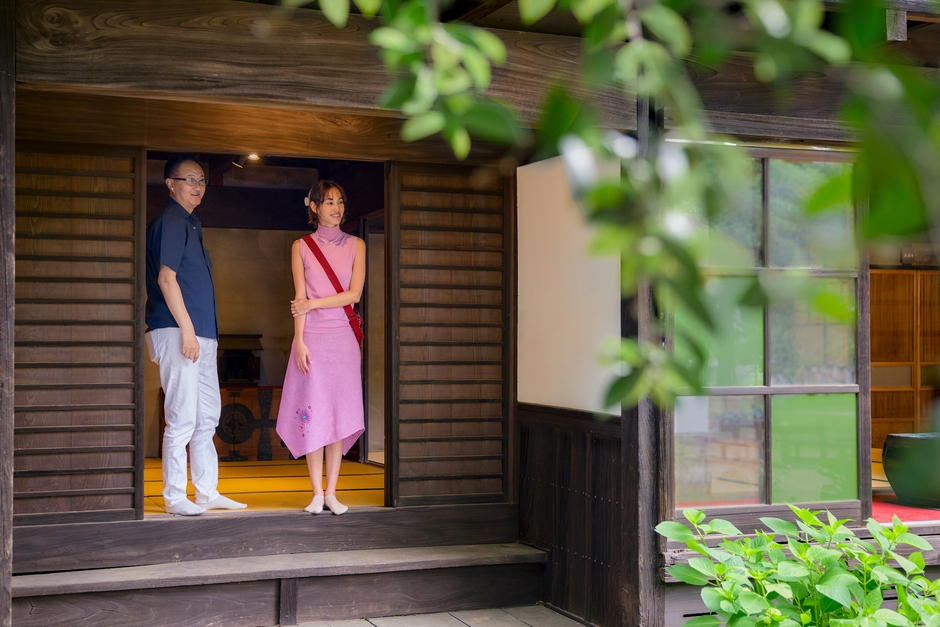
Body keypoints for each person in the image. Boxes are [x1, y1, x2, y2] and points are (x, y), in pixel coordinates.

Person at [145, 154, 247, 516]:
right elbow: (166, 279)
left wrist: (202, 335)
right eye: (189, 179)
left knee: (207, 417)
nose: (197, 186)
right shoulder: (170, 221)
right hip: (178, 331)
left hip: (200, 334)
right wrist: (188, 331)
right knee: (183, 417)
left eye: (202, 180)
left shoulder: (192, 224)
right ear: (171, 184)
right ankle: (174, 496)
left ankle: (207, 491)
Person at [276, 180, 366, 515]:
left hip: (343, 338)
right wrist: (299, 340)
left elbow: (353, 295)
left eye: (340, 202)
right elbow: (300, 299)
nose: (336, 208)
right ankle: (315, 492)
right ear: (313, 207)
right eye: (328, 202)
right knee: (312, 412)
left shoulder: (357, 244)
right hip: (311, 337)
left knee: (339, 414)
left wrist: (314, 306)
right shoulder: (300, 246)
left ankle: (332, 492)